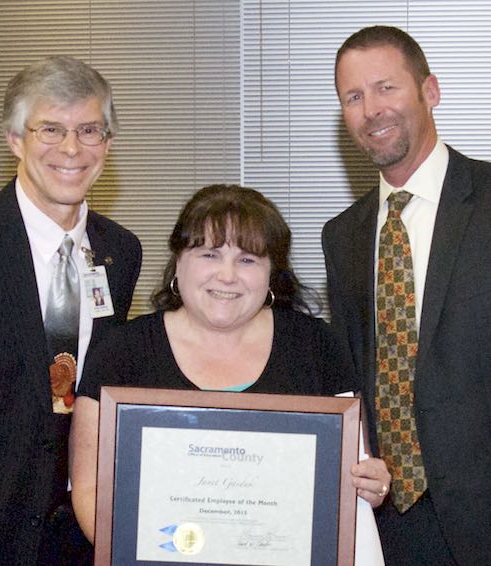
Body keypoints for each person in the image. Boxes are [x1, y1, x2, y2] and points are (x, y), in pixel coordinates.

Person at [70, 184, 390, 553]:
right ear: (179, 262)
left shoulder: (319, 348)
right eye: (209, 255)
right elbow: (90, 492)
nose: (227, 275)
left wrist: (371, 486)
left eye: (247, 260)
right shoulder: (120, 353)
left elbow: (353, 472)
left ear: (272, 273)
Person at [0, 56, 142, 565]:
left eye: (89, 130)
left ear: (108, 144)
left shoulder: (120, 251)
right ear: (15, 139)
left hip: (76, 530)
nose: (71, 148)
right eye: (51, 129)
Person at [322, 25, 491, 565]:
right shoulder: (342, 235)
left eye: (386, 87)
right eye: (354, 96)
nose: (371, 109)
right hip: (387, 521)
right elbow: (353, 372)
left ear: (430, 91)